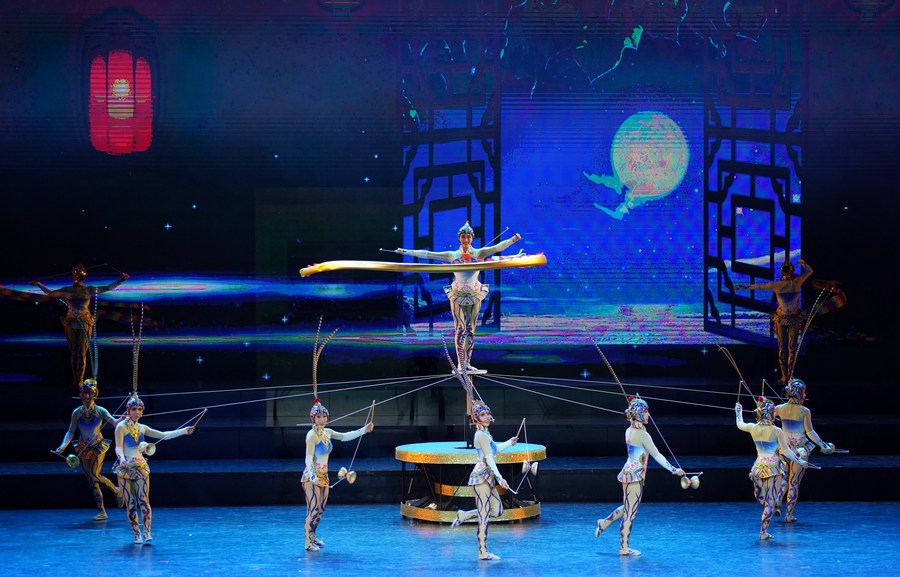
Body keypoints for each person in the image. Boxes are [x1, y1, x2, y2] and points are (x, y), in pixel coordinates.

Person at [395, 222, 522, 374]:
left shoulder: (480, 253)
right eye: (463, 237)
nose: (466, 240)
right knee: (460, 329)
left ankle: (467, 363)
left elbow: (497, 248)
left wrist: (513, 240)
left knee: (471, 330)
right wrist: (405, 251)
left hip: (475, 293)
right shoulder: (452, 255)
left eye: (468, 237)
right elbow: (428, 254)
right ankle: (461, 364)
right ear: (459, 238)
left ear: (472, 238)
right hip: (457, 294)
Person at [594, 395, 684, 556]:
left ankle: (605, 522)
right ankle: (624, 547)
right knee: (631, 513)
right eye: (646, 411)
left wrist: (635, 403)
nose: (648, 415)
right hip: (635, 476)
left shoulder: (629, 430)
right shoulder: (642, 435)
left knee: (628, 507)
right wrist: (673, 469)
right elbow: (656, 455)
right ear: (639, 413)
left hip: (629, 473)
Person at [114, 394, 195, 544]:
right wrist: (122, 459)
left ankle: (147, 531)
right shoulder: (121, 427)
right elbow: (118, 447)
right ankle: (136, 534)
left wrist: (184, 431)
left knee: (144, 501)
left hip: (140, 467)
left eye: (139, 409)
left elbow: (163, 435)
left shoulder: (142, 428)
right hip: (125, 468)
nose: (137, 412)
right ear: (128, 410)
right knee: (130, 504)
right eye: (134, 409)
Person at [31, 265, 129, 388]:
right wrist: (39, 284)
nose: (78, 279)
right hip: (71, 321)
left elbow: (108, 287)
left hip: (84, 322)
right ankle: (76, 380)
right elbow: (50, 293)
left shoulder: (87, 290)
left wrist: (122, 279)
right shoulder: (70, 290)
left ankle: (80, 380)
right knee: (74, 352)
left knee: (81, 352)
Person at [302, 398, 374, 552]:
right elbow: (308, 458)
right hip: (311, 477)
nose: (322, 419)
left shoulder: (327, 433)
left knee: (320, 511)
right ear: (313, 418)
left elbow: (345, 436)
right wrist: (313, 476)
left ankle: (313, 536)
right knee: (313, 510)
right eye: (318, 417)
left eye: (324, 416)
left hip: (324, 477)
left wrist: (364, 430)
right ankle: (308, 542)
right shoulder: (311, 435)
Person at [450, 398, 518, 561]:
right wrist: (500, 478)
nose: (487, 417)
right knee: (483, 516)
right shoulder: (480, 435)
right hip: (481, 477)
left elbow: (495, 449)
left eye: (488, 414)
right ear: (476, 418)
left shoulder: (486, 434)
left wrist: (510, 442)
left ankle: (464, 516)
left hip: (488, 477)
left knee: (497, 511)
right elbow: (489, 458)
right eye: (482, 414)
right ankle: (482, 552)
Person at [735, 397, 808, 540]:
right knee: (769, 503)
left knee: (763, 499)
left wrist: (738, 411)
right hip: (773, 470)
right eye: (773, 412)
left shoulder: (753, 428)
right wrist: (800, 460)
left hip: (757, 469)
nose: (775, 414)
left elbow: (740, 424)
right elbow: (786, 451)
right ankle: (763, 532)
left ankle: (760, 494)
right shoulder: (777, 431)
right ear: (769, 414)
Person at [52, 379, 123, 521]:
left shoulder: (101, 411)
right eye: (82, 392)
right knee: (91, 481)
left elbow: (115, 423)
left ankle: (117, 491)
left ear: (93, 394)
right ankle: (102, 511)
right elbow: (71, 431)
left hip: (97, 446)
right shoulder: (77, 412)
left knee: (94, 475)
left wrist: (123, 417)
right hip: (83, 447)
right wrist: (63, 445)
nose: (83, 395)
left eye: (86, 393)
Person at [734, 258, 813, 383]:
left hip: (790, 318)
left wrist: (741, 287)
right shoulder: (795, 282)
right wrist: (803, 263)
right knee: (788, 348)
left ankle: (787, 377)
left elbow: (758, 286)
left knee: (787, 348)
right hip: (784, 318)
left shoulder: (783, 284)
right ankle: (786, 377)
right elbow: (809, 271)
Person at [774, 378, 834, 523]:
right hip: (800, 450)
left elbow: (766, 421)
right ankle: (788, 515)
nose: (805, 394)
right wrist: (823, 445)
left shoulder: (779, 408)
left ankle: (778, 500)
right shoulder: (804, 411)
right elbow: (810, 432)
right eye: (803, 391)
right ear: (799, 393)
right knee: (794, 482)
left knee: (784, 478)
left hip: (784, 448)